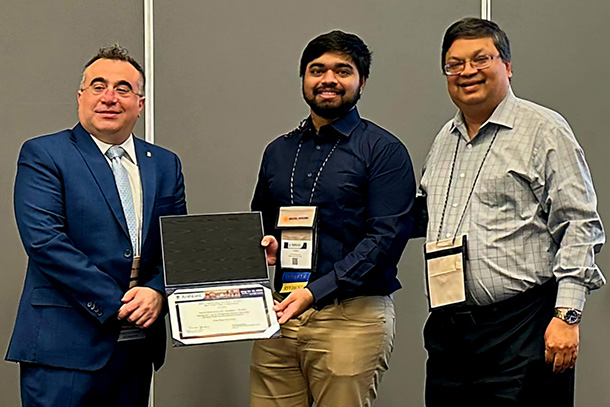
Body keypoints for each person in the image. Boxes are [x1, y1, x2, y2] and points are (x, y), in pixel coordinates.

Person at [418, 17, 605, 406]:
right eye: (454, 64)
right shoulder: (444, 139)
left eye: (480, 59)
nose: (467, 72)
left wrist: (567, 315)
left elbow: (580, 225)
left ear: (507, 65)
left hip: (521, 328)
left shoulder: (543, 129)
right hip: (450, 334)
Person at [6, 44, 187, 406]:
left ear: (140, 104)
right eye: (98, 86)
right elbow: (44, 242)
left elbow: (177, 246)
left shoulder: (165, 164)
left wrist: (156, 292)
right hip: (65, 347)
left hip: (137, 348)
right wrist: (118, 303)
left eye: (123, 89)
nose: (109, 97)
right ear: (80, 97)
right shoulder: (45, 154)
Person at [250, 30, 416, 407]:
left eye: (342, 70)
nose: (328, 79)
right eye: (317, 69)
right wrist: (266, 246)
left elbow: (386, 240)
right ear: (304, 79)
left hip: (351, 318)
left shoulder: (383, 151)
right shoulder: (279, 151)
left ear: (362, 81)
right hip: (280, 313)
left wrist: (315, 292)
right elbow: (260, 223)